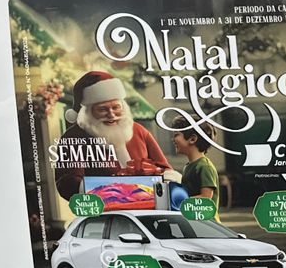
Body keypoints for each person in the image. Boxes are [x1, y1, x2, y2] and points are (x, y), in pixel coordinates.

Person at [52, 71, 179, 201]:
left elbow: (166, 170)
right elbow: (67, 183)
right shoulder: (74, 137)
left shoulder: (139, 131)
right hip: (104, 212)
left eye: (116, 107)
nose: (111, 115)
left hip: (148, 208)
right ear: (88, 112)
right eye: (102, 109)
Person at [170, 125, 219, 203]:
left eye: (176, 135)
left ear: (192, 139)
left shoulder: (205, 167)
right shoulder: (188, 166)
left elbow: (206, 198)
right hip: (192, 214)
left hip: (205, 215)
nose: (173, 139)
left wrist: (180, 201)